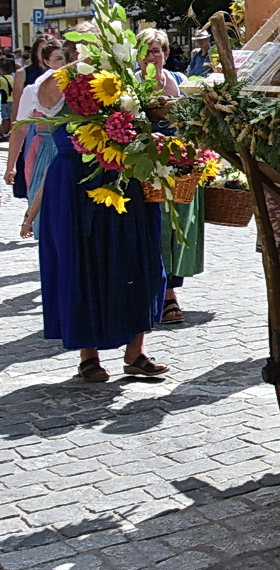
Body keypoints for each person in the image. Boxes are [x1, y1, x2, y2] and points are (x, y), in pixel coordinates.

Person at [37, 42, 169, 381]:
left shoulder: (120, 81)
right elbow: (48, 98)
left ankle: (135, 352)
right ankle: (88, 356)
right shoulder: (58, 83)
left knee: (138, 259)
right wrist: (76, 68)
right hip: (75, 185)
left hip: (123, 178)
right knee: (83, 263)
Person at [140, 28, 198, 324]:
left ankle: (171, 289)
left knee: (178, 232)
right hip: (147, 167)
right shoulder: (132, 86)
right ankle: (166, 296)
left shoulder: (179, 81)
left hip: (181, 166)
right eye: (150, 51)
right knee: (159, 230)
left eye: (160, 50)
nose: (156, 56)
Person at [6, 41, 70, 238]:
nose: (62, 63)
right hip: (46, 151)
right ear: (46, 62)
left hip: (73, 149)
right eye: (58, 59)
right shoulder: (35, 90)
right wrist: (11, 165)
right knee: (46, 210)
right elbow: (20, 128)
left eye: (64, 58)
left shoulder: (77, 84)